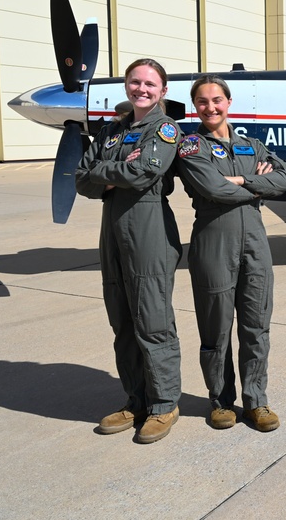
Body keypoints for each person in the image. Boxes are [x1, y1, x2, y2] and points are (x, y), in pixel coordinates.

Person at [74, 58, 183, 444]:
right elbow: (81, 181)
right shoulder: (111, 131)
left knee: (152, 320)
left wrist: (105, 171)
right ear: (126, 86)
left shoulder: (166, 129)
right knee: (122, 320)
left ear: (163, 91)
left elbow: (145, 173)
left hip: (148, 228)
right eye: (135, 82)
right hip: (113, 231)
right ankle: (135, 399)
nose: (142, 89)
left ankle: (164, 403)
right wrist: (114, 168)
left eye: (150, 84)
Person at [177, 75, 286, 431]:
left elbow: (284, 178)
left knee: (257, 325)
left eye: (216, 100)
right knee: (216, 327)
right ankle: (221, 401)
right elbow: (212, 189)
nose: (210, 107)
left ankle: (256, 401)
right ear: (195, 106)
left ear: (228, 102)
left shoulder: (250, 144)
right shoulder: (190, 147)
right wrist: (258, 187)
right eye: (202, 102)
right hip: (213, 239)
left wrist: (242, 182)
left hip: (255, 242)